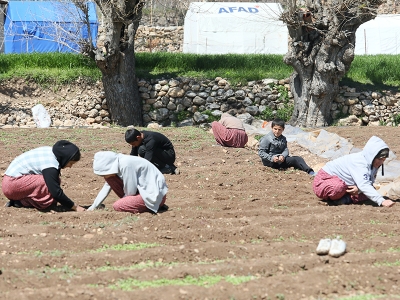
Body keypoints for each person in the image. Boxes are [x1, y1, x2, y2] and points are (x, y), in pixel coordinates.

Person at [2, 140, 85, 212]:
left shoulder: (51, 151)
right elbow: (55, 192)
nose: (70, 166)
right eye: (70, 163)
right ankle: (36, 204)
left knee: (52, 181)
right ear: (65, 158)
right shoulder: (50, 164)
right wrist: (74, 207)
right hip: (12, 185)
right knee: (47, 184)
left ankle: (19, 202)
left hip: (11, 183)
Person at [313, 135, 395, 207]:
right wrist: (382, 201)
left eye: (383, 160)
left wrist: (358, 189)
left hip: (346, 185)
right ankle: (337, 198)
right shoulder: (359, 162)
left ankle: (345, 198)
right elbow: (364, 185)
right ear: (373, 155)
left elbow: (368, 182)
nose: (381, 162)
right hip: (323, 181)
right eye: (380, 159)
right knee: (338, 187)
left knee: (370, 190)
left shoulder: (373, 163)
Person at [87, 151, 168, 214]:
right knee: (110, 179)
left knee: (117, 205)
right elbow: (107, 186)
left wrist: (124, 202)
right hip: (144, 193)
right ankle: (142, 204)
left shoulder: (126, 164)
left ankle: (149, 206)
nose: (104, 176)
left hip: (155, 196)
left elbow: (131, 191)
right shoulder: (119, 163)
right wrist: (94, 206)